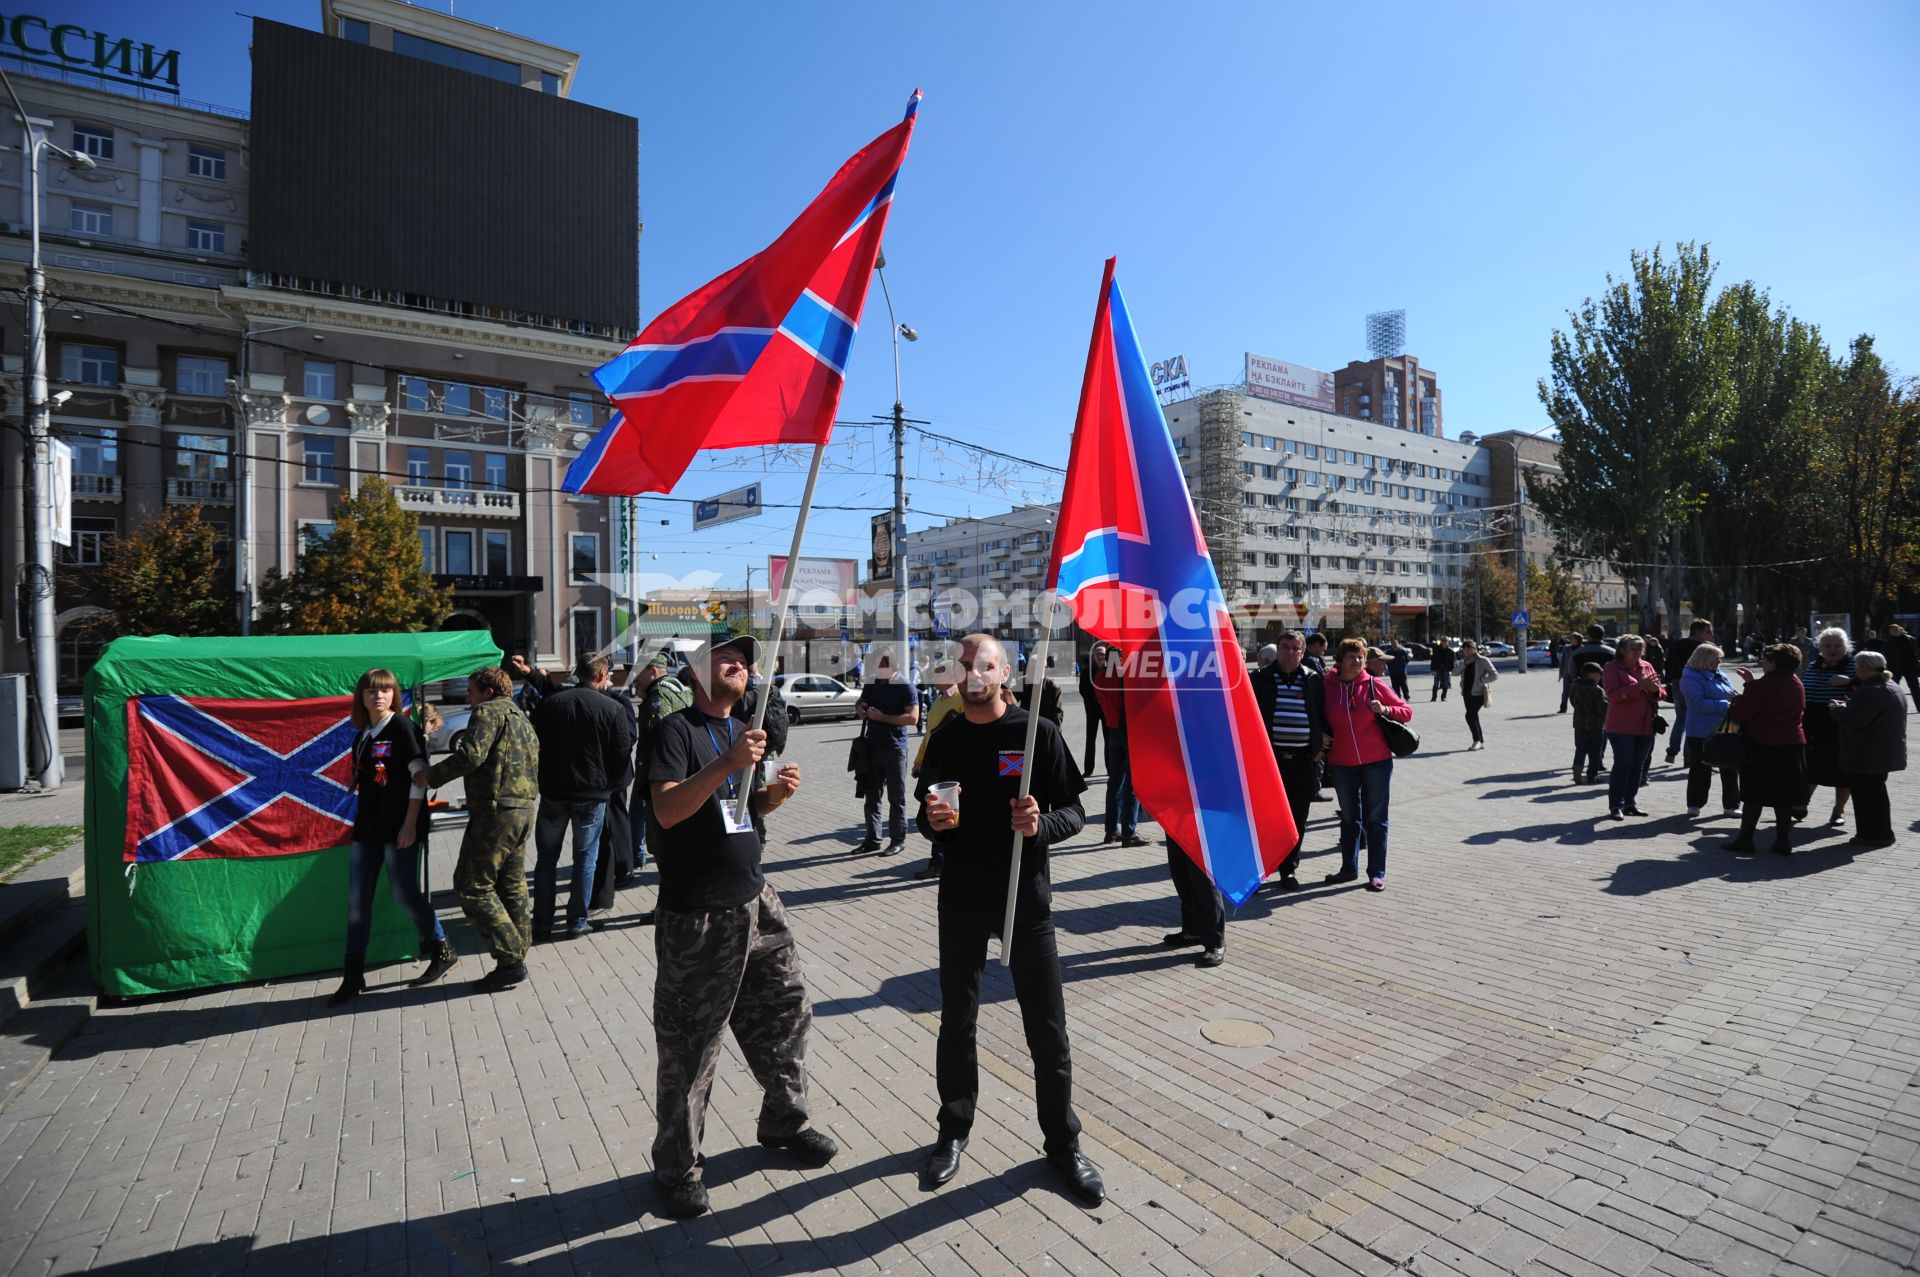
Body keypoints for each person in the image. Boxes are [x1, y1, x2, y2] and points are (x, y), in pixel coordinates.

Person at [913, 632, 1104, 1207]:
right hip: (963, 896)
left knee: (1047, 1028)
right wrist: (934, 825)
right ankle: (953, 1127)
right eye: (966, 664)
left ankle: (1062, 1143)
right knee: (957, 1019)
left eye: (985, 665)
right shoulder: (945, 734)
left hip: (1026, 899)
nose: (973, 674)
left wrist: (1040, 825)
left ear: (1006, 673)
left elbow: (1075, 810)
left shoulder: (1035, 732)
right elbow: (923, 811)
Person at [646, 632, 829, 1219]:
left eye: (745, 661)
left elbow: (740, 809)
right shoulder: (675, 731)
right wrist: (727, 762)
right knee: (692, 1045)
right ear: (698, 673)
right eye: (727, 657)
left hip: (757, 898)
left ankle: (783, 1121)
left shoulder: (743, 730)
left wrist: (775, 797)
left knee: (788, 1012)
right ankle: (677, 1166)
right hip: (697, 913)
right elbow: (669, 810)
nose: (740, 665)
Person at [328, 668, 452, 1006]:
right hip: (368, 826)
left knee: (405, 894)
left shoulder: (402, 727)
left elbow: (418, 778)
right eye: (371, 691)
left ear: (393, 694)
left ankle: (442, 950)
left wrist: (410, 824)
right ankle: (352, 976)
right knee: (357, 904)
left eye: (385, 690)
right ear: (362, 697)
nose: (378, 696)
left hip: (399, 825)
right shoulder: (363, 733)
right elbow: (374, 773)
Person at [422, 665, 542, 991]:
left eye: (472, 690)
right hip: (522, 810)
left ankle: (511, 956)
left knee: (471, 885)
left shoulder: (487, 712)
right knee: (511, 883)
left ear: (488, 692)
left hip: (496, 813)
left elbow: (471, 755)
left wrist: (429, 776)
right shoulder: (520, 718)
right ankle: (517, 953)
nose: (467, 697)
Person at [513, 654, 640, 915]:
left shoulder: (612, 702)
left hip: (577, 789)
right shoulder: (607, 704)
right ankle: (578, 917)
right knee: (586, 857)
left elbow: (626, 742)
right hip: (594, 789)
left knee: (554, 857)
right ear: (603, 676)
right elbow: (623, 748)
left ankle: (548, 917)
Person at [1320, 637, 1413, 892]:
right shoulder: (1326, 686)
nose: (1358, 661)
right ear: (1340, 660)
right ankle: (1348, 869)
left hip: (1377, 762)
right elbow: (1315, 715)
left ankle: (1377, 873)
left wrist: (1385, 709)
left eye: (1361, 657)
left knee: (1376, 818)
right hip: (1341, 763)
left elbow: (1406, 711)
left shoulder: (1373, 684)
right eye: (1352, 657)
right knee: (1350, 818)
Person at [1252, 630, 1324, 893]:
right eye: (1285, 647)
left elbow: (1323, 716)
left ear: (1303, 653)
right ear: (1277, 649)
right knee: (1266, 819)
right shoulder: (1260, 678)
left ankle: (1289, 870)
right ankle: (1261, 871)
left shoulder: (1313, 680)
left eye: (1296, 648)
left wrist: (1321, 745)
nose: (1290, 653)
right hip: (1270, 764)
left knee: (1296, 819)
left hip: (1304, 762)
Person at [1727, 645, 1807, 856]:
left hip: (1763, 745)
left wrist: (1737, 699)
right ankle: (1783, 840)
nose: (1763, 663)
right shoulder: (1796, 682)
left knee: (1754, 795)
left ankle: (1745, 840)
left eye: (1765, 660)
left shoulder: (1763, 685)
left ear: (1773, 663)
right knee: (1784, 796)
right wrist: (1752, 685)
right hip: (1791, 745)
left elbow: (1742, 714)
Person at [1830, 651, 1908, 849]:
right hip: (1883, 751)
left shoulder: (1870, 690)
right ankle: (1880, 833)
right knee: (1876, 794)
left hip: (1867, 753)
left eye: (1857, 667)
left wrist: (1837, 709)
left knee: (1867, 797)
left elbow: (1856, 719)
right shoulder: (1891, 686)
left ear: (1863, 669)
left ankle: (1873, 835)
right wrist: (1850, 705)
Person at [854, 658, 920, 855]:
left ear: (894, 668)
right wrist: (861, 708)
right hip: (872, 747)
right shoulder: (872, 682)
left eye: (882, 667)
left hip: (895, 749)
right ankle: (872, 839)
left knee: (896, 798)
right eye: (877, 666)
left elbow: (913, 718)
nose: (878, 670)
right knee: (871, 796)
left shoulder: (905, 687)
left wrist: (882, 717)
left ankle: (898, 840)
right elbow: (860, 701)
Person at [1798, 627, 1857, 827]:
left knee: (1842, 772)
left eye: (1838, 645)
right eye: (1827, 645)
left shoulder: (1854, 665)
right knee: (1810, 768)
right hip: (1813, 725)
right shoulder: (1815, 665)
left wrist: (1850, 682)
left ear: (1846, 646)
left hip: (1839, 725)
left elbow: (1874, 684)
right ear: (1819, 647)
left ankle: (1838, 811)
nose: (1832, 649)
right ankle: (1801, 804)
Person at [1601, 635, 1663, 819]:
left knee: (1638, 766)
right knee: (1623, 764)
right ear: (1622, 650)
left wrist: (1654, 690)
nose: (1638, 652)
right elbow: (1612, 695)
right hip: (1621, 725)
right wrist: (1638, 687)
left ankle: (1630, 803)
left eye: (1640, 649)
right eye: (1634, 649)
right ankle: (1615, 805)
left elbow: (1661, 692)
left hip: (1646, 724)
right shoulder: (1612, 668)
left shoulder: (1647, 666)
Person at [1092, 644, 1146, 847]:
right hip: (1129, 730)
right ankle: (1129, 832)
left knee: (1114, 782)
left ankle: (1110, 830)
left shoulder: (1100, 677)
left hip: (1112, 730)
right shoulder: (1127, 676)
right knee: (1132, 785)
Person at [1678, 643, 1740, 819]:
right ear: (1705, 660)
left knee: (1730, 767)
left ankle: (1731, 805)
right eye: (1717, 658)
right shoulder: (1690, 677)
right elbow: (1696, 704)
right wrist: (1726, 705)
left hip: (1727, 728)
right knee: (1700, 768)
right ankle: (1695, 804)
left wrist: (1736, 700)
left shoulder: (1720, 675)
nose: (1720, 662)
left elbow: (1731, 693)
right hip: (1700, 730)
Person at [912, 667, 963, 881]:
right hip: (936, 767)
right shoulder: (939, 700)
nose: (934, 679)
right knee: (935, 813)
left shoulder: (961, 697)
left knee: (946, 814)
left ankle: (940, 863)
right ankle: (938, 863)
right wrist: (918, 761)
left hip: (953, 768)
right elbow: (928, 737)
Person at [1163, 838, 1226, 968]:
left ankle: (1215, 942)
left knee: (1204, 878)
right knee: (1181, 872)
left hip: (1199, 821)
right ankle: (1193, 931)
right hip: (1174, 819)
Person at [1664, 619, 1714, 765]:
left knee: (1680, 718)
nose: (1711, 635)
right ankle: (1689, 757)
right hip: (1696, 684)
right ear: (1698, 631)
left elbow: (1668, 664)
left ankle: (1672, 751)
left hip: (1677, 682)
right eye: (1708, 631)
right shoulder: (1705, 648)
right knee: (1694, 718)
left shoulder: (1677, 644)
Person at [1457, 638, 1498, 751]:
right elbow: (1454, 672)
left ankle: (1477, 740)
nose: (1466, 651)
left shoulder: (1483, 660)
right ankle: (1480, 741)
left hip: (1479, 694)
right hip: (1466, 693)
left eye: (1469, 648)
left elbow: (1494, 675)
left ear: (1474, 648)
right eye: (1464, 649)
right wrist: (1465, 663)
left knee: (1469, 716)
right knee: (1473, 716)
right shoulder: (1464, 660)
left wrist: (1481, 681)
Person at [1570, 662, 1608, 785]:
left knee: (1580, 748)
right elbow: (1602, 708)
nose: (1600, 678)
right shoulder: (1597, 690)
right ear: (1591, 675)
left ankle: (1577, 766)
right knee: (1595, 750)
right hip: (1595, 725)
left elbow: (1572, 702)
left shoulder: (1574, 686)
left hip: (1579, 723)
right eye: (1598, 675)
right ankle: (1592, 775)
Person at [1077, 647, 1105, 776]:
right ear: (1094, 656)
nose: (1100, 656)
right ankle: (1088, 770)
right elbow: (1083, 690)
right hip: (1092, 709)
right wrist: (1094, 701)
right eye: (1098, 654)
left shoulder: (1110, 670)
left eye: (1102, 654)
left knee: (1109, 738)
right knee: (1090, 739)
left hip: (1107, 709)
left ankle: (1110, 769)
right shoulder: (1086, 671)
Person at [1884, 624, 1920, 705]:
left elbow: (1916, 652)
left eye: (1896, 629)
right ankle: (1893, 706)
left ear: (1900, 629)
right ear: (1890, 632)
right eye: (1892, 629)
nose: (1895, 630)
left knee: (1915, 689)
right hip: (1895, 668)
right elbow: (1885, 655)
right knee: (1893, 689)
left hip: (1909, 667)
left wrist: (1917, 663)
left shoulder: (1910, 639)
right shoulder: (1888, 642)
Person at [1428, 636, 1456, 702]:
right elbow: (1433, 660)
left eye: (1446, 641)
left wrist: (1452, 670)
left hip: (1446, 669)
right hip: (1437, 669)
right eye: (1443, 641)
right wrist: (1432, 669)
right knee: (1435, 684)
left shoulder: (1451, 651)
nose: (1444, 642)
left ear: (1448, 642)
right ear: (1441, 642)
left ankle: (1443, 697)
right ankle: (1433, 697)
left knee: (1445, 684)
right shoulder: (1436, 650)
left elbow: (1453, 661)